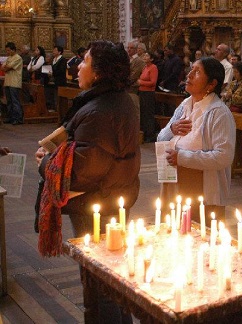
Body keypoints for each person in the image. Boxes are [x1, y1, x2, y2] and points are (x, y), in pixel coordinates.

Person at [35, 40, 140, 323]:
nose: (78, 66)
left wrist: (47, 163)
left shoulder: (100, 110)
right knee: (109, 280)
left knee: (100, 284)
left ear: (98, 72)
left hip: (95, 203)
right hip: (109, 197)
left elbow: (84, 169)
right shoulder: (115, 101)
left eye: (85, 61)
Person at [157, 57, 236, 220]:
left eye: (197, 72)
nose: (189, 75)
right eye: (191, 69)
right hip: (174, 183)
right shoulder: (186, 104)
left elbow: (224, 157)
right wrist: (171, 129)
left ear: (211, 84)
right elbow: (161, 138)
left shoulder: (218, 113)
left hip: (201, 190)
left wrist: (182, 157)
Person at [137, 52, 158, 142]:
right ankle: (144, 133)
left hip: (149, 93)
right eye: (144, 55)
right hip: (142, 92)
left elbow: (153, 82)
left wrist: (141, 82)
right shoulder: (145, 67)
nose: (144, 57)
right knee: (143, 114)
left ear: (152, 59)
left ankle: (150, 135)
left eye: (147, 56)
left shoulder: (153, 68)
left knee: (148, 114)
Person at [2, 42, 23, 125]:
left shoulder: (18, 58)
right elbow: (3, 67)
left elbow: (8, 67)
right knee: (9, 101)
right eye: (6, 50)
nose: (7, 52)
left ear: (13, 50)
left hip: (14, 82)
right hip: (8, 81)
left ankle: (18, 118)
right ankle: (10, 117)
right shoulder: (9, 58)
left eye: (8, 50)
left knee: (15, 101)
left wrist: (6, 67)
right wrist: (6, 67)